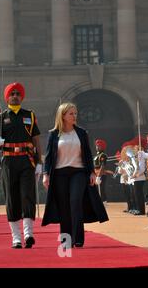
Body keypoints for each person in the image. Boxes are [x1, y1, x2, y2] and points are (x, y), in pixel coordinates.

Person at [41, 103, 109, 248]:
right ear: (63, 116)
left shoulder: (82, 133)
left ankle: (78, 238)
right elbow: (48, 157)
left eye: (75, 113)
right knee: (64, 206)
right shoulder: (54, 134)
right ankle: (66, 239)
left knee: (75, 201)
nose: (74, 116)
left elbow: (88, 154)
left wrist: (91, 172)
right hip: (59, 174)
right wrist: (45, 174)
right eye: (71, 113)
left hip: (78, 172)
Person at [0, 82, 43, 249]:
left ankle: (28, 234)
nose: (15, 96)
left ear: (22, 97)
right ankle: (16, 237)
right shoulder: (0, 118)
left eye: (17, 93)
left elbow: (36, 139)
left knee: (27, 195)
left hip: (26, 160)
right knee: (12, 199)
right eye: (12, 93)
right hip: (9, 161)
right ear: (7, 97)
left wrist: (39, 162)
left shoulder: (30, 115)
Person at [94, 139, 108, 203]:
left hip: (101, 174)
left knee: (101, 189)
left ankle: (104, 201)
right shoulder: (96, 155)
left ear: (102, 147)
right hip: (96, 173)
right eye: (96, 146)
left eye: (98, 146)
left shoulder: (103, 155)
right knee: (96, 189)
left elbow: (102, 166)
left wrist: (99, 176)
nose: (97, 147)